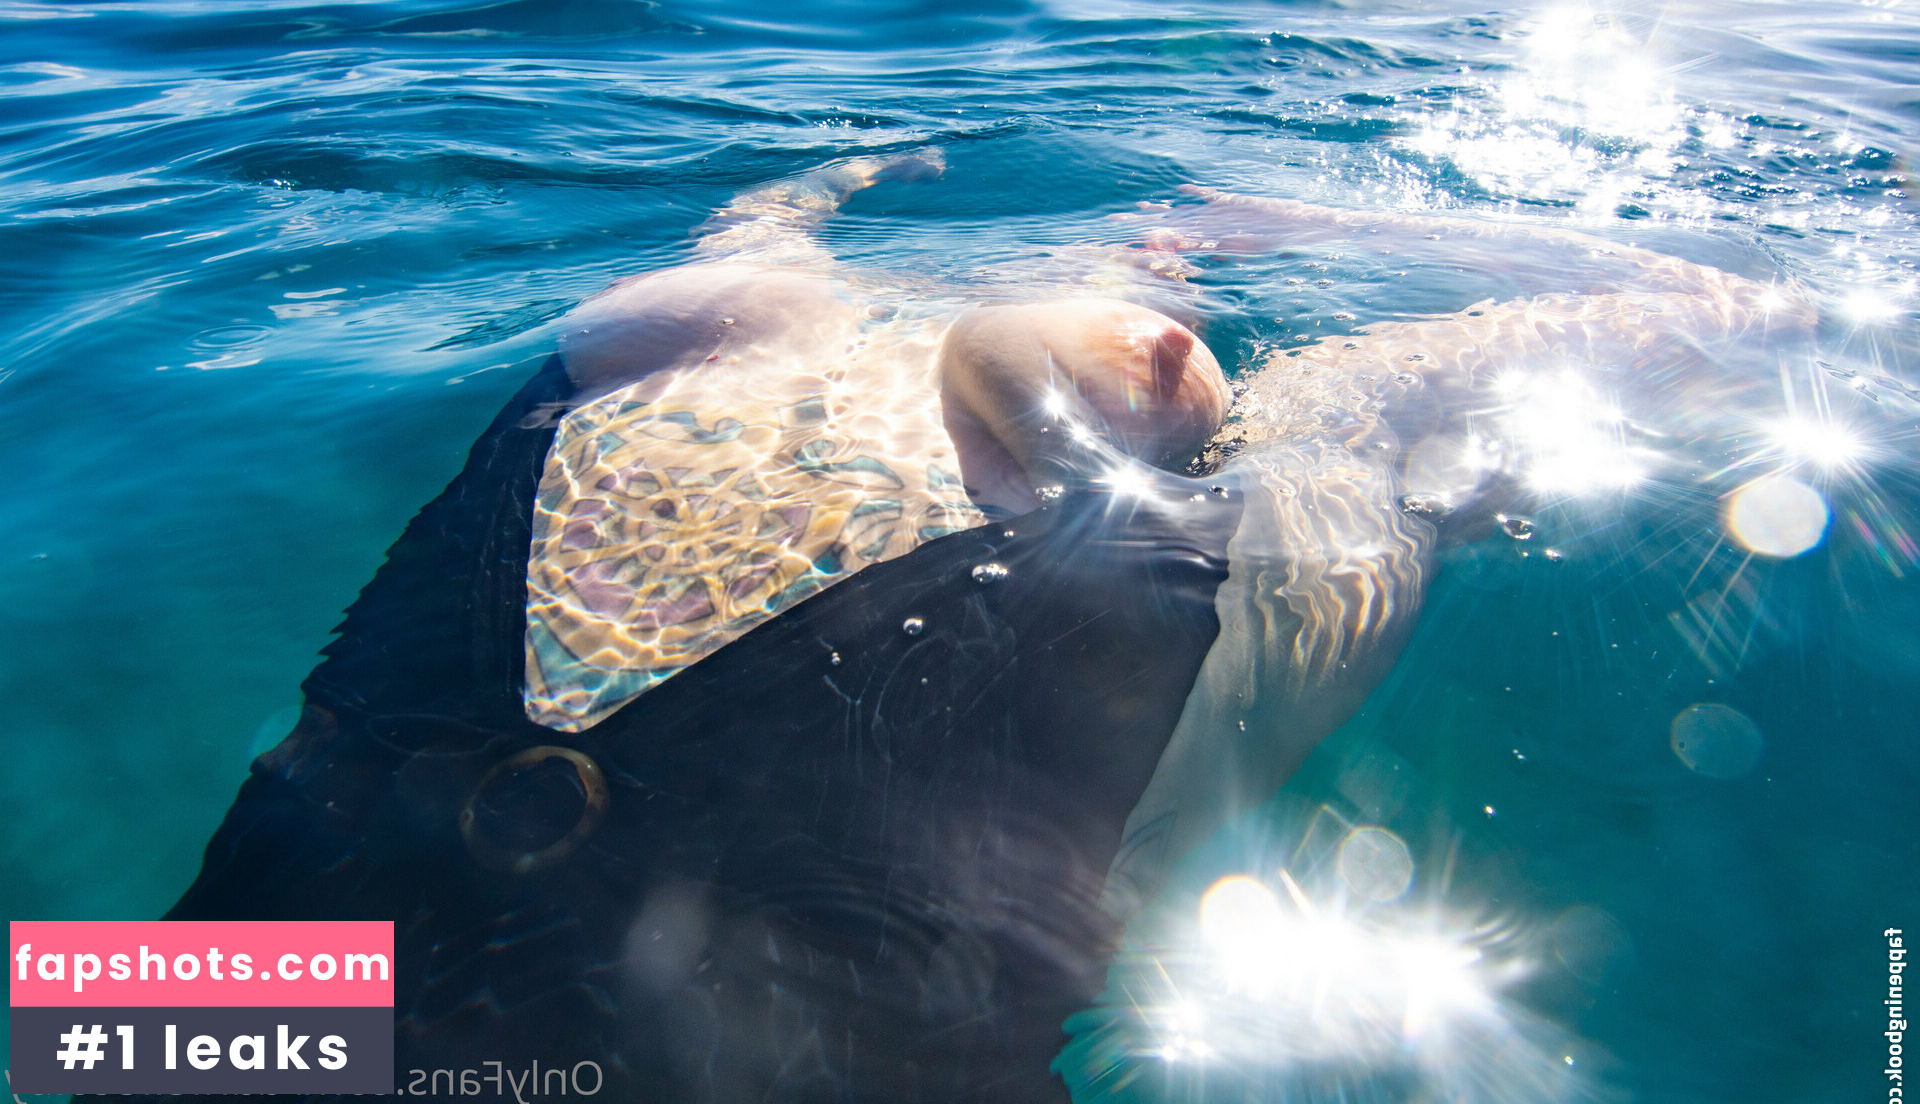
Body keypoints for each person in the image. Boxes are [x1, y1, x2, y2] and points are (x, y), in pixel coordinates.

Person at [157, 157, 1813, 1104]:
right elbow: (1722, 314)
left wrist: (832, 185)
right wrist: (1346, 232)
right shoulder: (1228, 539)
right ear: (1172, 379)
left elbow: (761, 228)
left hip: (211, 1021)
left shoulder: (684, 348)